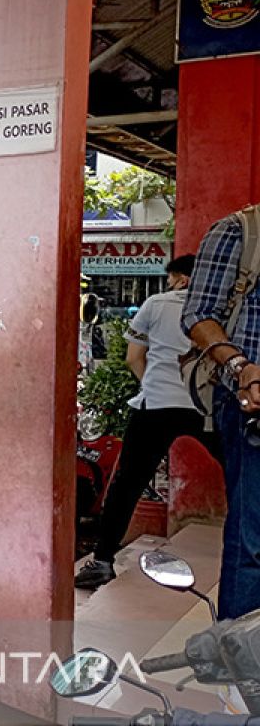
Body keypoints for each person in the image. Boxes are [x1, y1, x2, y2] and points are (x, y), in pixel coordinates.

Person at [77, 255, 209, 590]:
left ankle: (103, 562)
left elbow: (134, 357)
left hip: (156, 405)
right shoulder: (217, 304)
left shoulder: (156, 304)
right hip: (206, 406)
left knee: (127, 485)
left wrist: (150, 384)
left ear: (179, 277)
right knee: (241, 477)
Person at [184, 208, 260, 620]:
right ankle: (240, 658)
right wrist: (240, 367)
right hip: (249, 403)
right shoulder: (238, 231)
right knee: (253, 539)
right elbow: (198, 315)